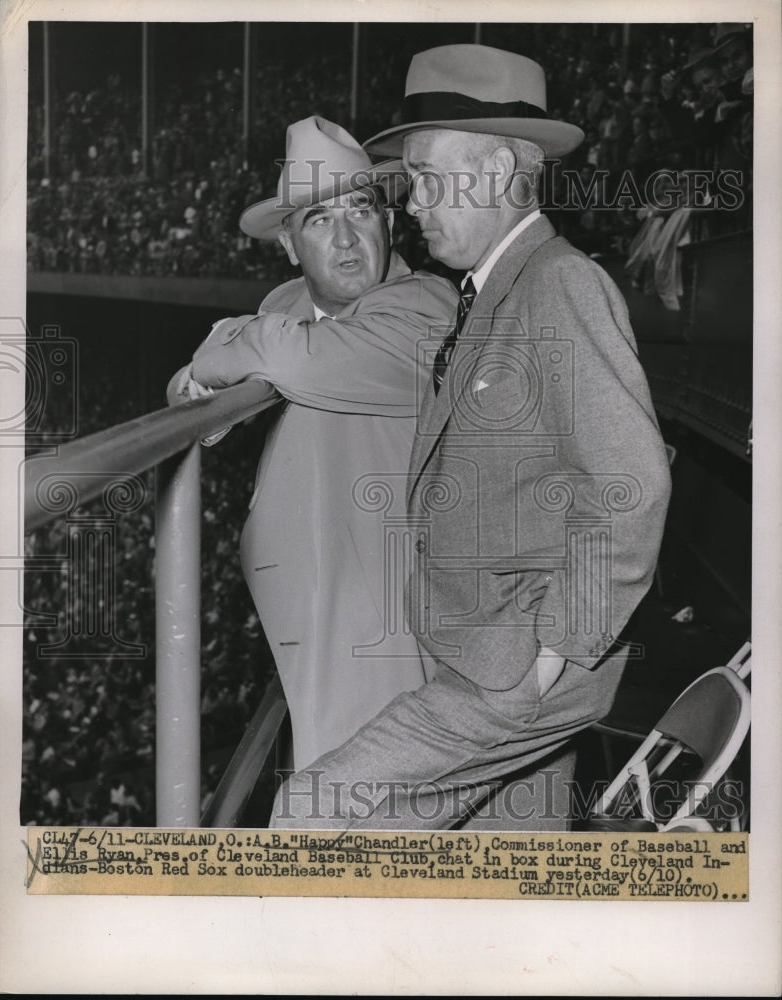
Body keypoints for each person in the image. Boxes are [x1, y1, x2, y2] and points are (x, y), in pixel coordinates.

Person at [267, 45, 672, 830]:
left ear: (492, 172)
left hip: (517, 662)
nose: (410, 204)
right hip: (489, 647)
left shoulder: (557, 284)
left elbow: (631, 481)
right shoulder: (492, 289)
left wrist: (555, 650)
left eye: (423, 176)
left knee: (311, 812)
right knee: (507, 861)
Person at [169, 116, 459, 770]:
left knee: (355, 819)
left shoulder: (426, 305)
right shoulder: (287, 306)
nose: (348, 237)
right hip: (312, 610)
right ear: (290, 246)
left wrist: (230, 345)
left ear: (388, 223)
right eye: (319, 220)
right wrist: (216, 367)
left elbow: (286, 360)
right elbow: (188, 397)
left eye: (360, 210)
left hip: (389, 626)